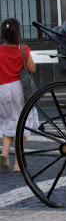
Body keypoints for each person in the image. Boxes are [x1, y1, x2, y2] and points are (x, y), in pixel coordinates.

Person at [0, 18, 38, 172]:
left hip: (2, 89)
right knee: (23, 123)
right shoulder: (23, 49)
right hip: (19, 89)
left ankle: (4, 152)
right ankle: (17, 162)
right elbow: (32, 68)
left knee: (8, 120)